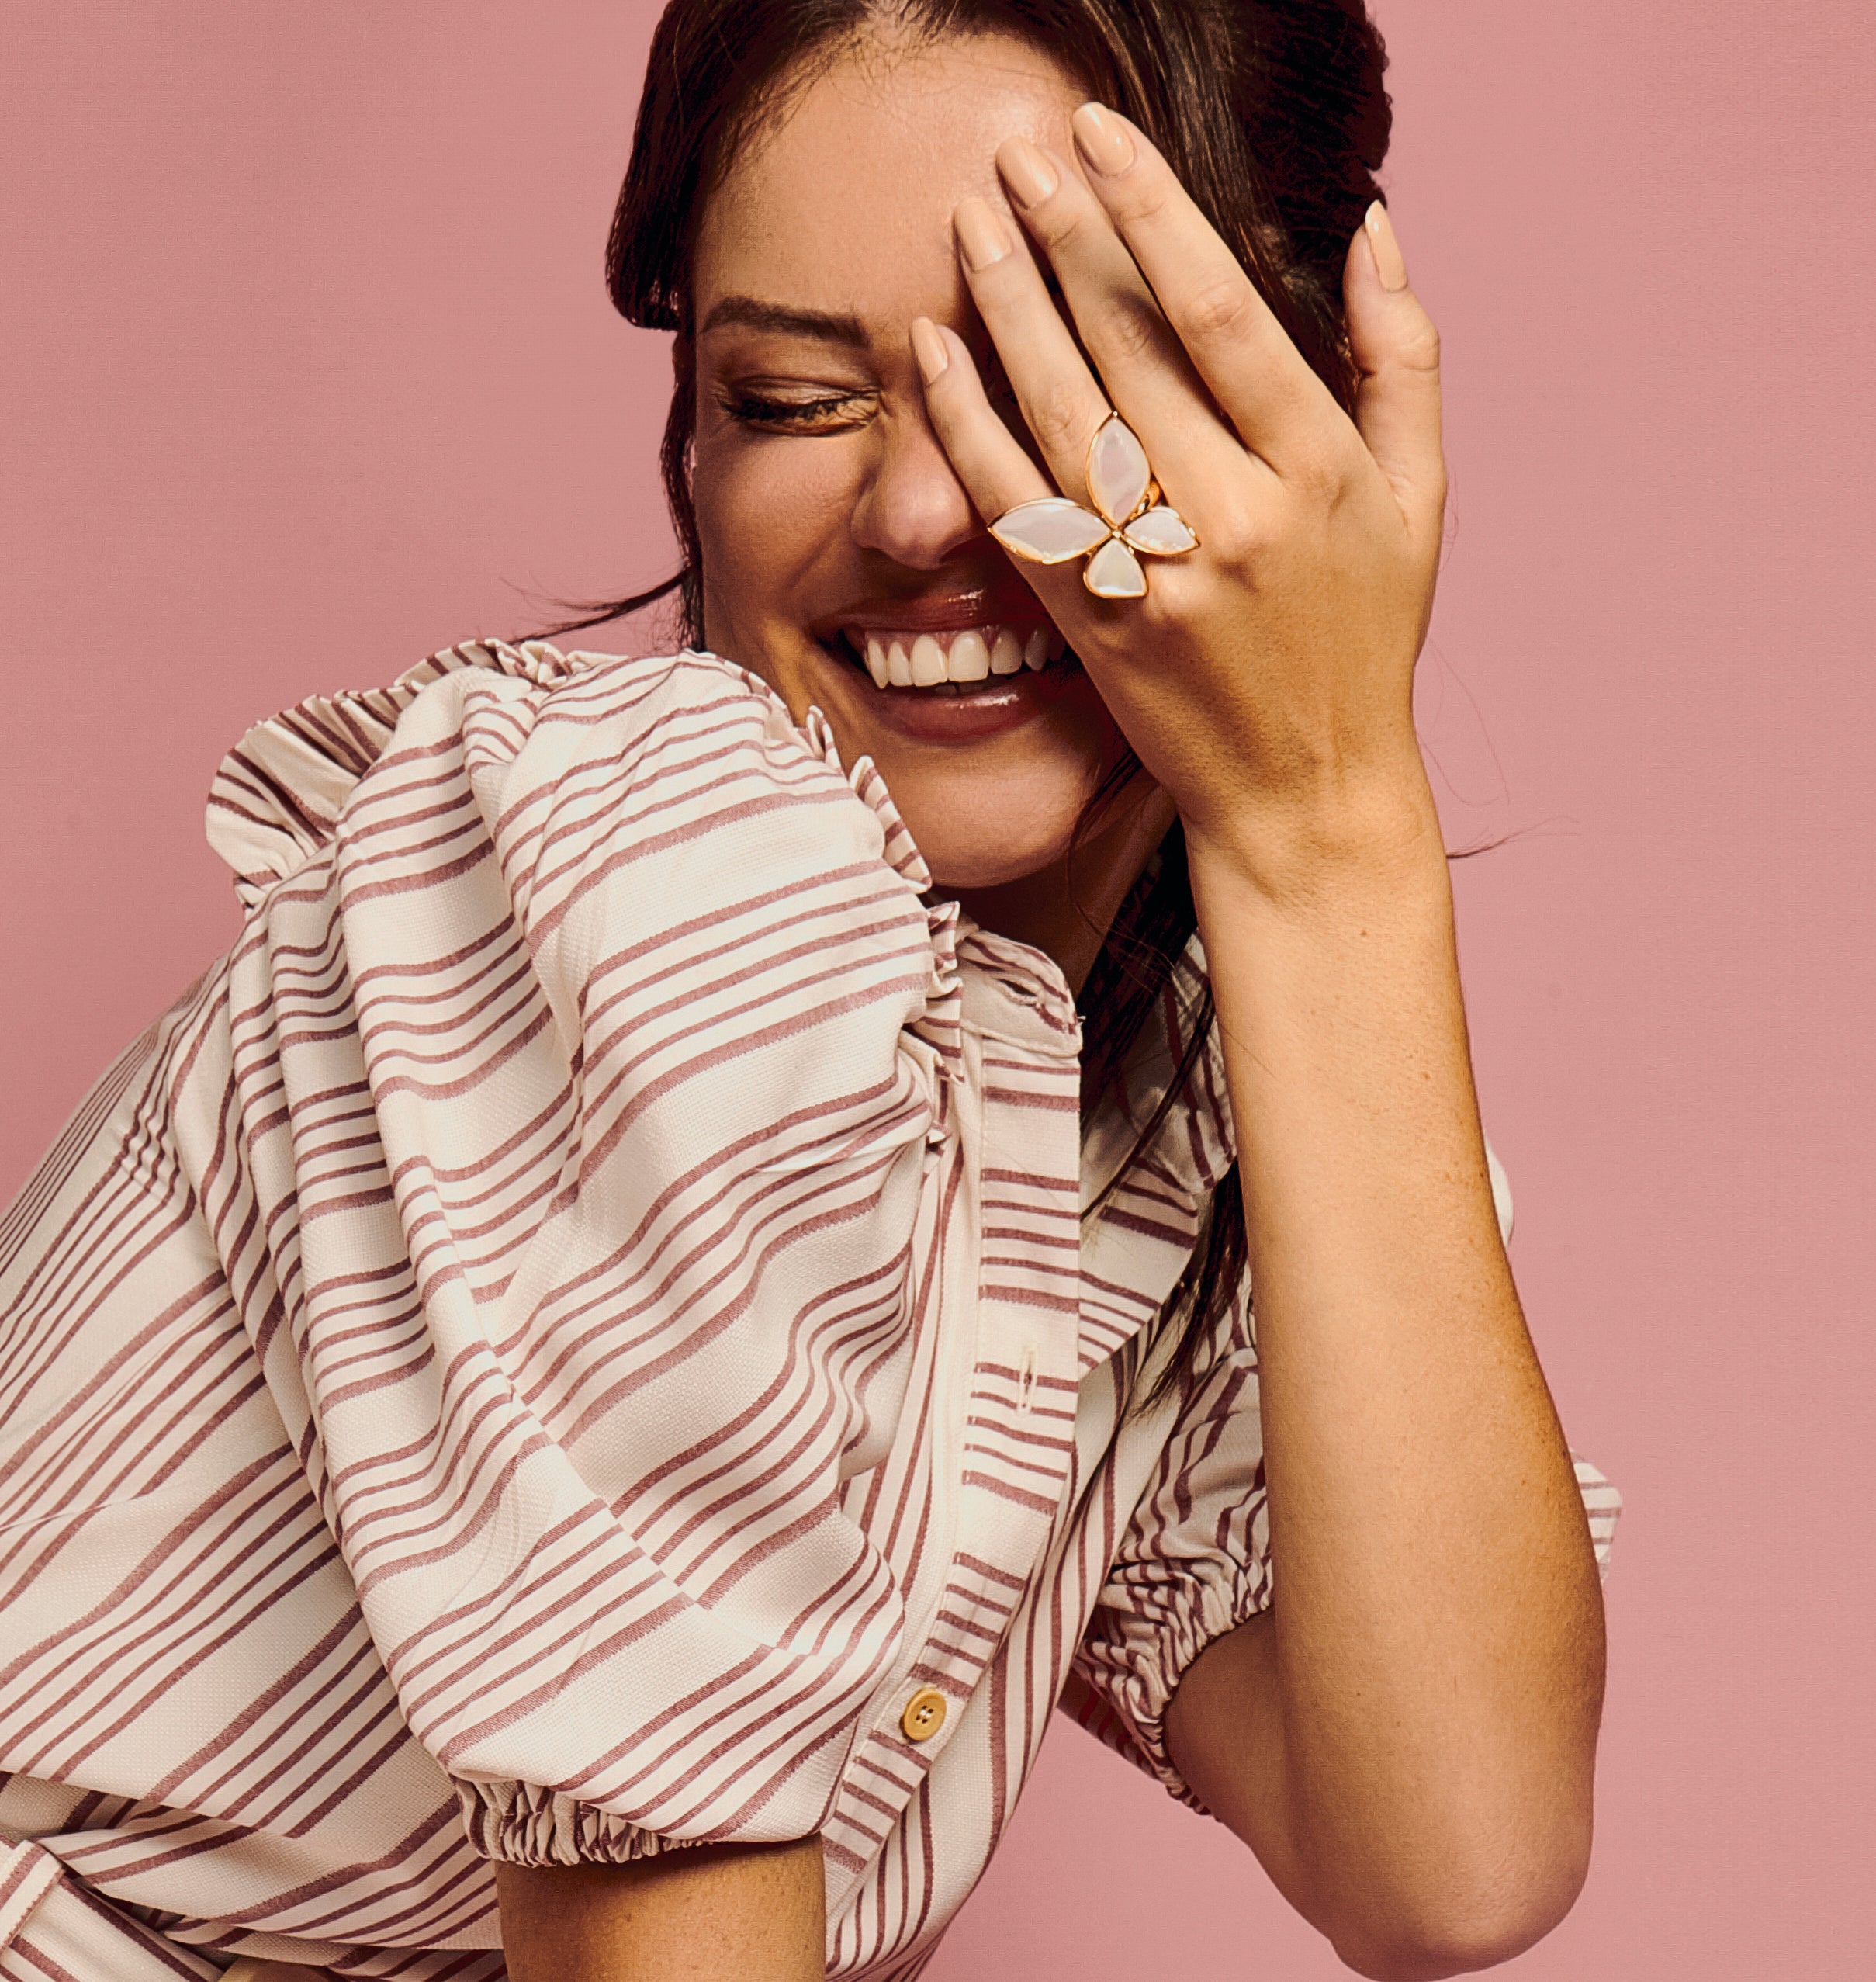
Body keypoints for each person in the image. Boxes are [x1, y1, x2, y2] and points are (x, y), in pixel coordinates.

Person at [0, 2, 1619, 1978]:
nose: (921, 513)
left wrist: (1329, 822)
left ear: (1310, 439)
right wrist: (1308, 812)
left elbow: (1453, 1845)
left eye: (1043, 377)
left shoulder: (1145, 1093)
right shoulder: (660, 881)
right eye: (785, 398)